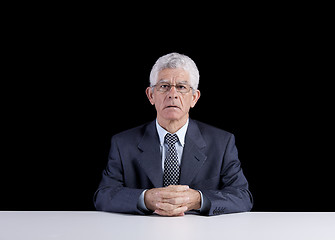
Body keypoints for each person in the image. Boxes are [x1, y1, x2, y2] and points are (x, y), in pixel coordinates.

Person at [93, 52, 253, 216]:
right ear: (151, 95)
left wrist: (198, 199)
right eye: (164, 86)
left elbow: (242, 197)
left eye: (182, 87)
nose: (173, 94)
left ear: (194, 98)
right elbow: (104, 196)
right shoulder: (123, 143)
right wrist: (146, 198)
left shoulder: (222, 143)